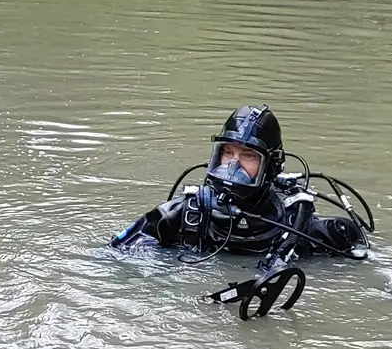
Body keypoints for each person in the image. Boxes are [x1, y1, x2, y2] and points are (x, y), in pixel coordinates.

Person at [108, 105, 373, 312]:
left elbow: (368, 260)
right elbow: (114, 259)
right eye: (228, 153)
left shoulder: (295, 223)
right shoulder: (184, 214)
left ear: (271, 165)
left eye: (248, 157)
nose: (233, 166)